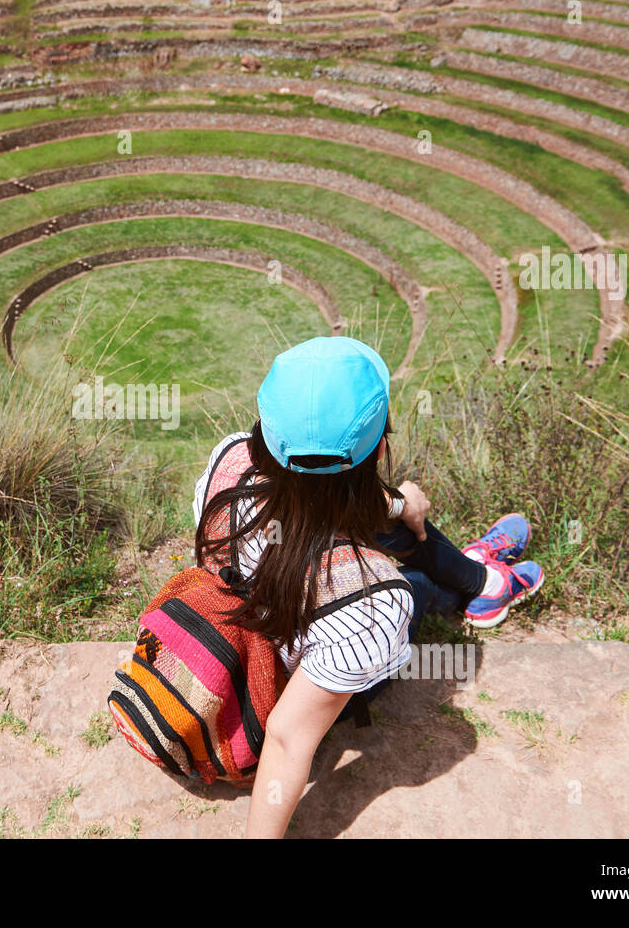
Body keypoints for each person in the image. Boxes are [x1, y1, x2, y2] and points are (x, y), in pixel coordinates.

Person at [191, 337, 543, 838]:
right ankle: (475, 583)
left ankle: (481, 578)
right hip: (307, 671)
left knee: (396, 527)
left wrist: (401, 504)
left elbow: (313, 490)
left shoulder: (230, 459)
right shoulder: (377, 604)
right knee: (415, 584)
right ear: (379, 445)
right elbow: (289, 740)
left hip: (263, 600)